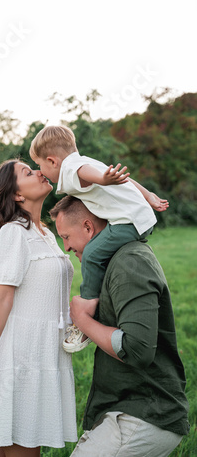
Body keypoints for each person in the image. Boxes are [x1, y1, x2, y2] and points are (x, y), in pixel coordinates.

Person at [49, 195, 190, 457]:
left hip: (146, 414)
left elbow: (137, 349)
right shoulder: (116, 260)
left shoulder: (129, 263)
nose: (66, 247)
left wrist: (83, 321)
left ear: (88, 227)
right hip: (127, 407)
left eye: (66, 237)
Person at [0, 160, 77, 457]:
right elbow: (1, 298)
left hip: (42, 352)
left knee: (0, 447)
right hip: (21, 357)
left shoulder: (45, 233)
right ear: (16, 195)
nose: (39, 171)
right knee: (23, 444)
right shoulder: (14, 233)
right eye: (27, 172)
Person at [30, 124, 169, 353]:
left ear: (52, 161)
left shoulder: (71, 169)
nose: (41, 171)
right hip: (139, 218)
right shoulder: (87, 161)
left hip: (129, 222)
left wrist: (103, 179)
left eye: (40, 165)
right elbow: (126, 180)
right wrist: (148, 196)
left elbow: (84, 173)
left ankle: (87, 307)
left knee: (92, 253)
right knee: (98, 250)